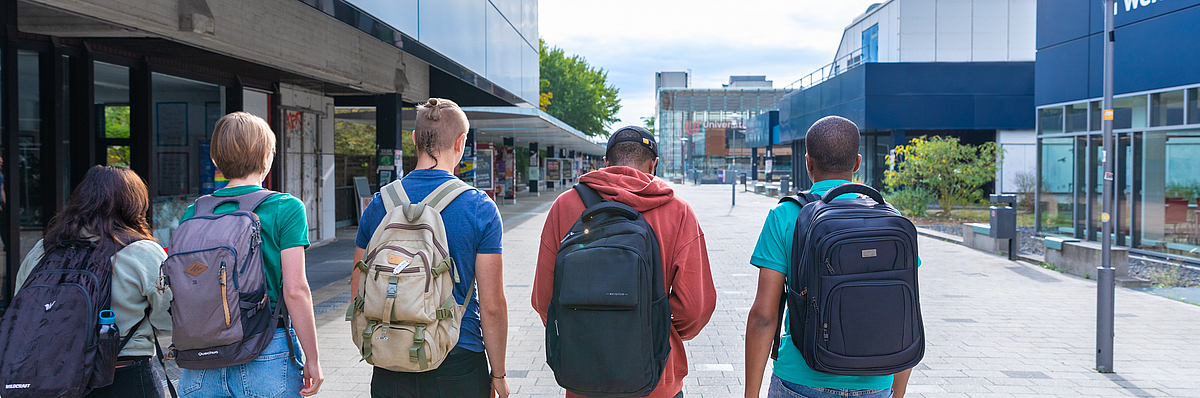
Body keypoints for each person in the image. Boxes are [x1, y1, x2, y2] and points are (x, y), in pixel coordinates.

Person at [532, 126, 717, 398]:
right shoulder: (678, 211)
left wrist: (584, 325)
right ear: (654, 165)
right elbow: (695, 307)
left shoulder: (564, 206)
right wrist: (653, 325)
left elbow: (543, 298)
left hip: (584, 376)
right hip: (657, 380)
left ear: (606, 164)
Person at [744, 116, 913, 398]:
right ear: (857, 163)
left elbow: (764, 315)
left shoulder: (786, 215)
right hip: (875, 382)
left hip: (800, 378)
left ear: (808, 162)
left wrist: (750, 394)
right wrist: (897, 391)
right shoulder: (892, 219)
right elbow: (904, 312)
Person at [353, 98, 510, 398]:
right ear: (460, 142)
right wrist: (498, 374)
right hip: (457, 358)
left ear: (413, 139)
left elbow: (358, 291)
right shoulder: (479, 208)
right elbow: (492, 306)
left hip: (391, 360)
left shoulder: (379, 204)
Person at [176, 112, 323, 397]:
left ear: (216, 159)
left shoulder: (195, 211)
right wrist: (313, 359)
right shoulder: (285, 207)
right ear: (267, 155)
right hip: (267, 348)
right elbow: (295, 290)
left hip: (200, 358)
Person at [13, 165, 172, 397]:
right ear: (135, 204)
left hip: (53, 377)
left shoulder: (44, 249)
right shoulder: (143, 252)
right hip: (124, 376)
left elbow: (22, 309)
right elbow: (169, 319)